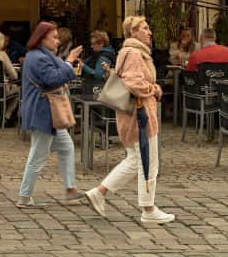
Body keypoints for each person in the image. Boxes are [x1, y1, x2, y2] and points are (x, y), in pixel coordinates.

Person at [83, 14, 174, 225]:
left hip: (132, 115)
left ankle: (99, 192)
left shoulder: (129, 51)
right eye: (145, 28)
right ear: (133, 32)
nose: (149, 32)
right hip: (139, 116)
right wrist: (154, 89)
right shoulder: (134, 53)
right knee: (149, 163)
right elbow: (134, 83)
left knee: (135, 159)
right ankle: (148, 209)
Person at [16, 21, 85, 207]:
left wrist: (69, 65)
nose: (57, 41)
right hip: (43, 112)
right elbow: (53, 79)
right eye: (53, 37)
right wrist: (69, 62)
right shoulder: (38, 58)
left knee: (66, 147)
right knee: (37, 156)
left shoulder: (40, 55)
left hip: (47, 112)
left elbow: (57, 73)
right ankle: (24, 196)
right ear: (41, 38)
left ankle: (71, 190)